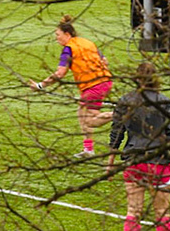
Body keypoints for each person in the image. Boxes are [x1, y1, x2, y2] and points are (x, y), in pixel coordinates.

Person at [109, 62, 170, 231]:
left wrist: (111, 162)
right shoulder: (165, 101)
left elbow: (117, 132)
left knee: (134, 211)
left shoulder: (125, 100)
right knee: (162, 213)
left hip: (134, 161)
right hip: (159, 162)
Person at [33, 16, 113, 156]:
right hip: (104, 81)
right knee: (82, 113)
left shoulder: (68, 49)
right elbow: (104, 61)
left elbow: (60, 73)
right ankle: (88, 149)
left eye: (58, 35)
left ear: (67, 34)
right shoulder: (88, 42)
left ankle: (120, 113)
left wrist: (41, 85)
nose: (57, 38)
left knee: (90, 120)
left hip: (93, 85)